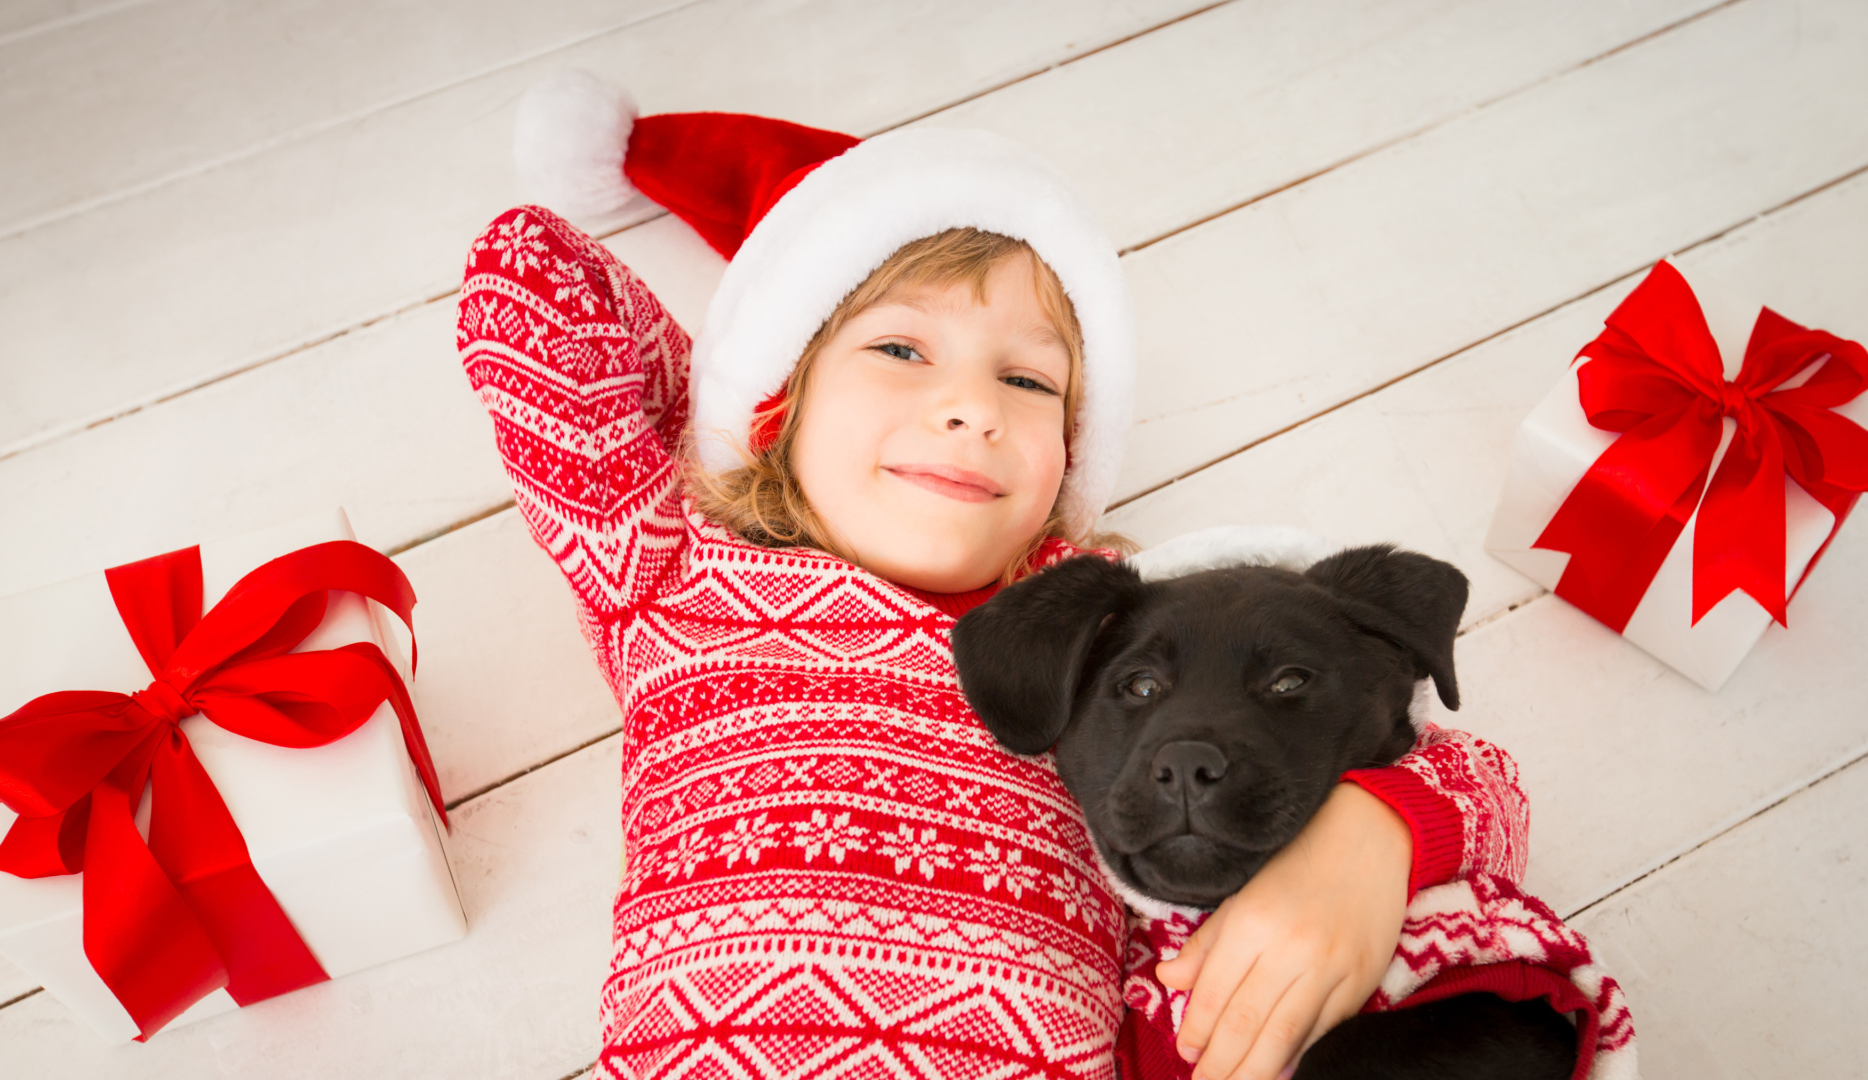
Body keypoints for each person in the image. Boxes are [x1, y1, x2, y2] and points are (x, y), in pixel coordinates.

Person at [458, 73, 1579, 1079]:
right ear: (778, 402)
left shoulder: (1103, 622)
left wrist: (1370, 841)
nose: (971, 407)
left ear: (1070, 454)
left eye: (1028, 381)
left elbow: (1467, 770)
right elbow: (528, 280)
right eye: (898, 350)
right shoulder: (673, 570)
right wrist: (746, 346)